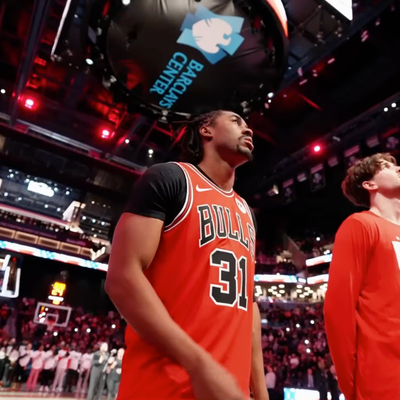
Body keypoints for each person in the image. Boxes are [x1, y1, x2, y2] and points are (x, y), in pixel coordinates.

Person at [106, 110, 267, 400]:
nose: (249, 130)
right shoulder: (170, 178)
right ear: (206, 129)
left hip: (229, 391)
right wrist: (199, 364)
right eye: (236, 121)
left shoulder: (247, 212)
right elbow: (122, 277)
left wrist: (260, 390)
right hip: (162, 389)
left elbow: (248, 307)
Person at [325, 153, 400, 400]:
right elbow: (338, 312)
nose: (398, 168)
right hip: (382, 381)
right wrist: (351, 386)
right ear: (370, 184)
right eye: (388, 166)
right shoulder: (360, 225)